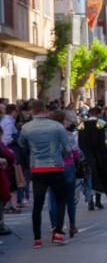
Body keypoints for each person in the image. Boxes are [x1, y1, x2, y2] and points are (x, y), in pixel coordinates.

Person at [18, 99, 70, 247]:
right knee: (60, 200)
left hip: (37, 168)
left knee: (38, 204)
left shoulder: (26, 128)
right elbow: (67, 148)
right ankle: (58, 233)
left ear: (32, 111)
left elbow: (22, 144)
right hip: (55, 167)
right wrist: (62, 157)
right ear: (45, 110)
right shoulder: (57, 126)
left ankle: (37, 239)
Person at [78, 107, 107, 210]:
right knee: (100, 175)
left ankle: (90, 202)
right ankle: (98, 201)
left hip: (86, 155)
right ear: (98, 114)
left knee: (88, 178)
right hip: (100, 154)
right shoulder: (101, 123)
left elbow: (78, 140)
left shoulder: (82, 124)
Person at [47, 110, 80, 237]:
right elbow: (74, 152)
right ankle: (72, 224)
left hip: (52, 166)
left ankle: (55, 225)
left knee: (53, 198)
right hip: (68, 166)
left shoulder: (48, 135)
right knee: (70, 198)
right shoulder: (69, 135)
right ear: (63, 121)